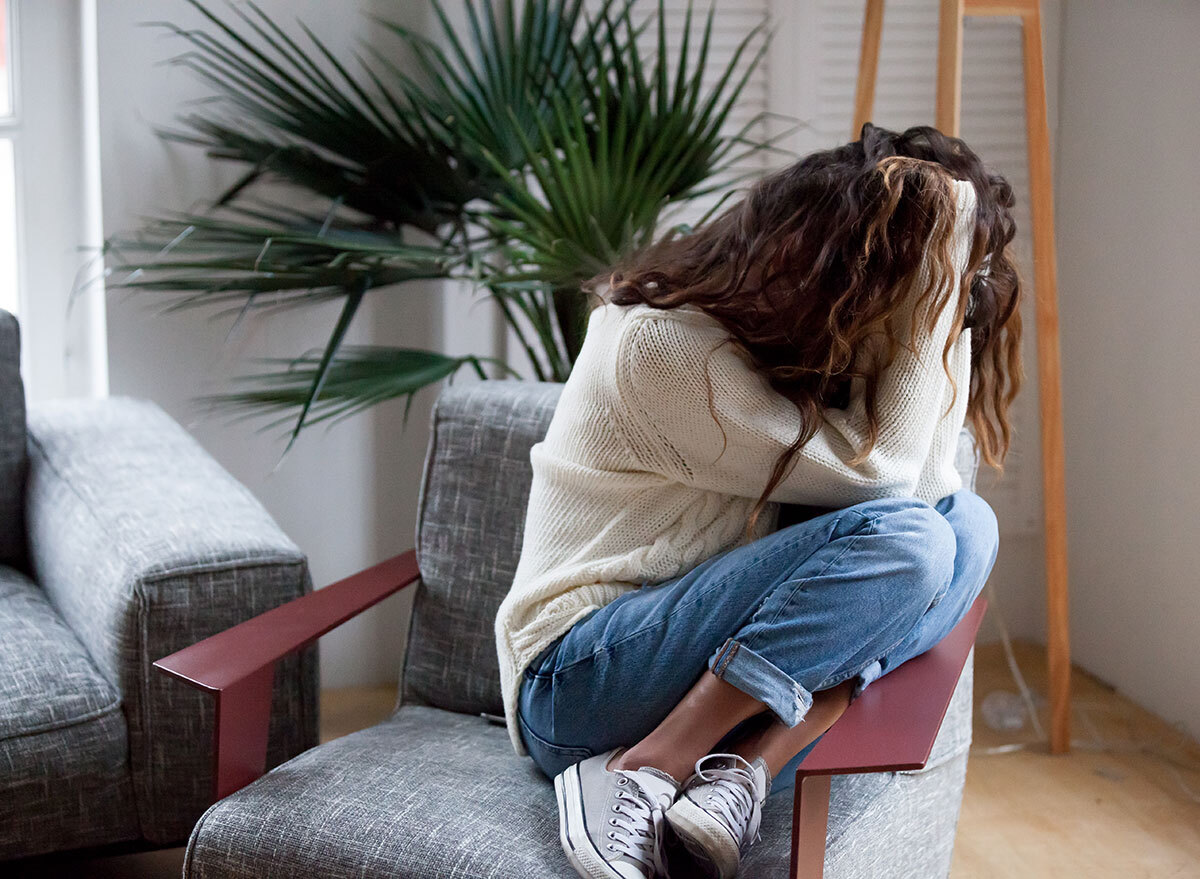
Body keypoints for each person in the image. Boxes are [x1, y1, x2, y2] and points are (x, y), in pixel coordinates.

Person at [493, 123, 1022, 879]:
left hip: (680, 660)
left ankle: (746, 763)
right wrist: (937, 273)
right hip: (576, 677)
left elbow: (936, 487)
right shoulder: (662, 345)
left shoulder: (793, 353)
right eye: (910, 291)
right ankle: (646, 765)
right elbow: (891, 485)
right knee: (915, 541)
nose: (900, 319)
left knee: (968, 526)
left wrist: (951, 285)